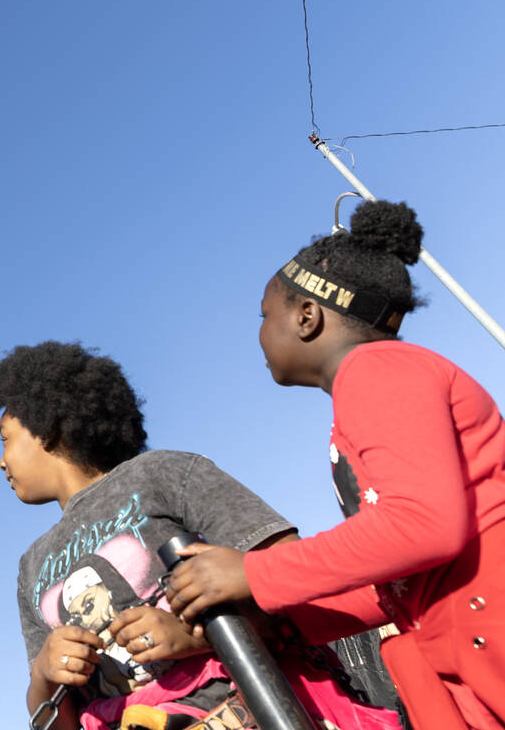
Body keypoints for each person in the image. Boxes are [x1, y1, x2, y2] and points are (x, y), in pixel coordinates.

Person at [166, 199, 505, 729]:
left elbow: (423, 525)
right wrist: (276, 617)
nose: (259, 332)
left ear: (307, 316)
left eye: (265, 314)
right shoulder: (379, 380)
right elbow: (395, 582)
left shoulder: (376, 372)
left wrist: (254, 570)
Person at [0, 341, 398, 730]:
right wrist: (43, 674)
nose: (1, 462)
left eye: (6, 440)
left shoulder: (163, 474)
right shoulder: (30, 567)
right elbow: (52, 716)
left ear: (47, 428)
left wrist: (195, 635)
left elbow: (302, 579)